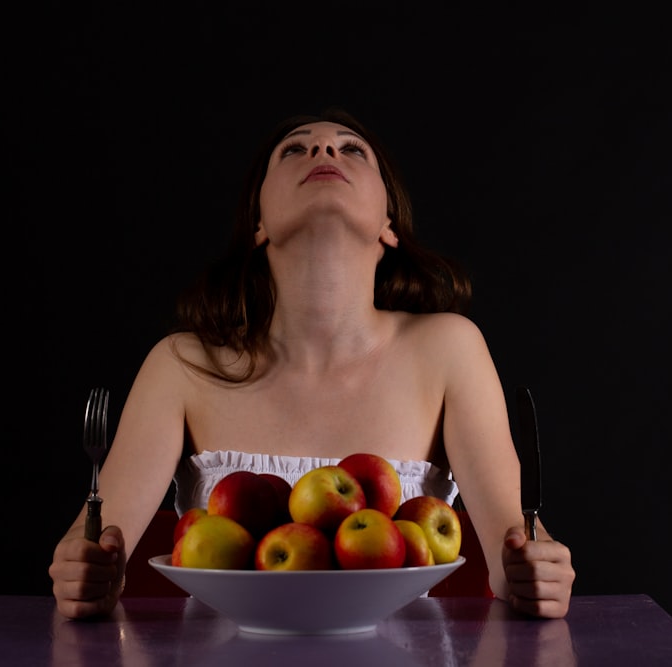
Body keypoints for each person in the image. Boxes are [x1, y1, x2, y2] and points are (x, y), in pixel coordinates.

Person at [49, 107, 576, 620]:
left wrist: (537, 572)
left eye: (351, 149)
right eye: (294, 149)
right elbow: (94, 547)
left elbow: (515, 548)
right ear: (259, 223)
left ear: (388, 225)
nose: (323, 150)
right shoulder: (181, 363)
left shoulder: (450, 349)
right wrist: (83, 572)